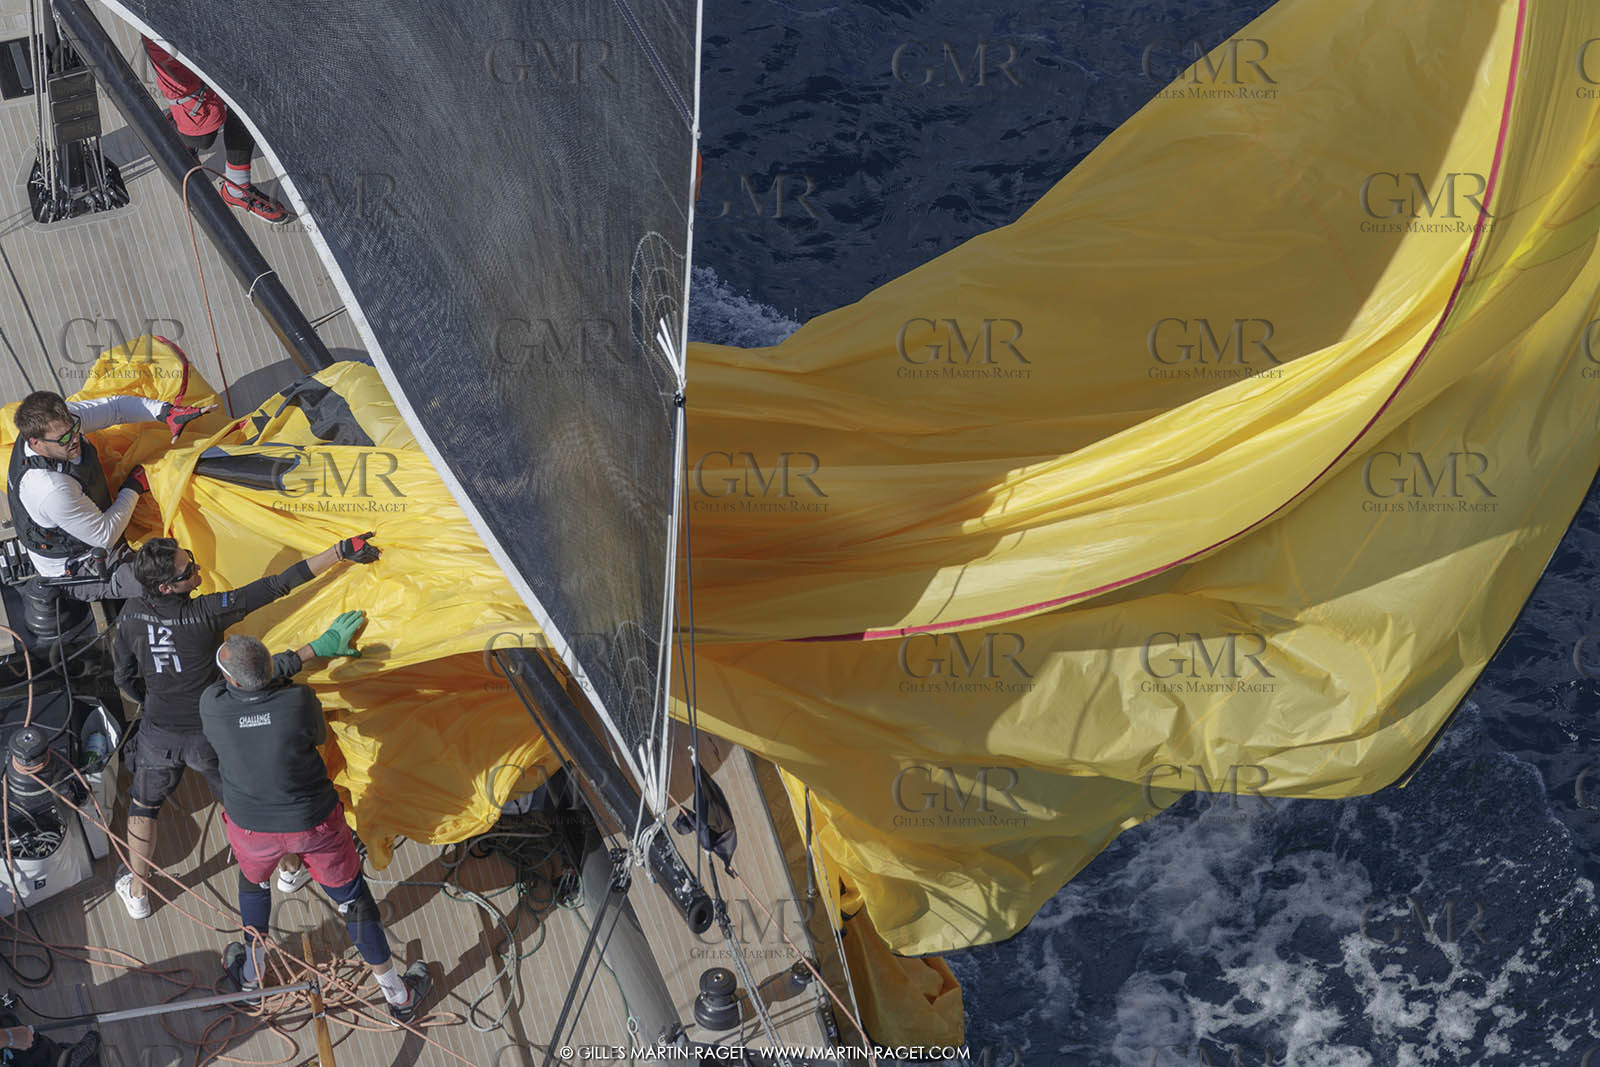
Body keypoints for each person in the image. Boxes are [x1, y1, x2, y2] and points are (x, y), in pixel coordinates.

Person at [110, 533, 381, 919]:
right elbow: (276, 586)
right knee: (245, 810)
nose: (198, 569)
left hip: (158, 730)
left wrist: (154, 700)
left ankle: (138, 894)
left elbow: (123, 677)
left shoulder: (130, 613)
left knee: (143, 805)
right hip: (212, 733)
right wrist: (338, 552)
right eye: (190, 570)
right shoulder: (205, 613)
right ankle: (289, 872)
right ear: (168, 586)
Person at [202, 628, 433, 1023]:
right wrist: (311, 653)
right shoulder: (297, 701)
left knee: (253, 884)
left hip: (251, 828)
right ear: (271, 669)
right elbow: (318, 734)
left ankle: (250, 977)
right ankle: (398, 996)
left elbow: (250, 688)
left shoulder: (213, 706)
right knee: (353, 901)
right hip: (313, 823)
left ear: (232, 682)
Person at [7, 390, 211, 604]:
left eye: (75, 429)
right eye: (64, 439)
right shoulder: (50, 489)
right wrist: (133, 486)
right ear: (36, 443)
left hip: (90, 520)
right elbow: (104, 537)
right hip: (79, 564)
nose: (75, 438)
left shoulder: (60, 425)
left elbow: (116, 409)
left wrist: (165, 412)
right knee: (171, 581)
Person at [141, 37, 291, 225]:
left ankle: (236, 189)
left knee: (252, 100)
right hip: (173, 43)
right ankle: (184, 133)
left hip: (222, 30)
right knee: (203, 137)